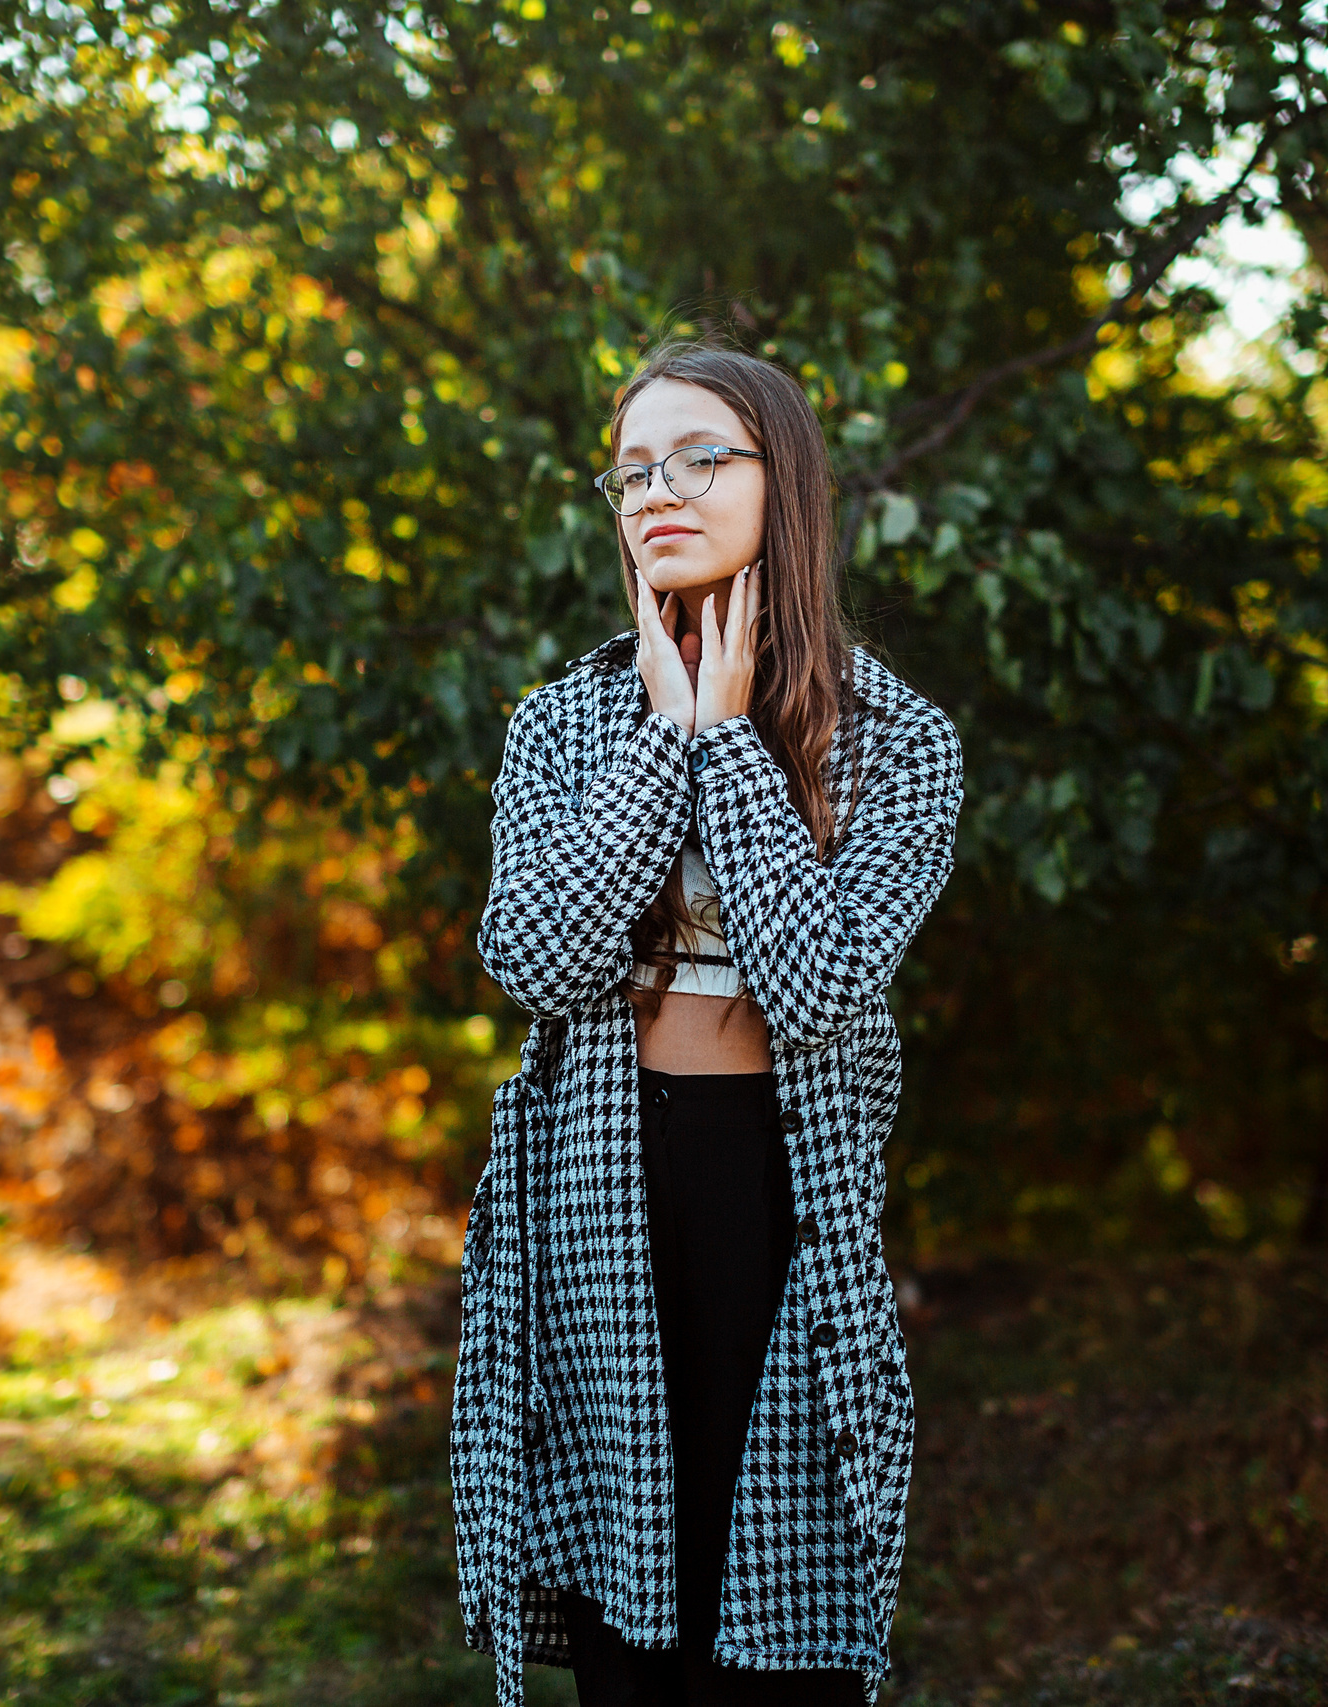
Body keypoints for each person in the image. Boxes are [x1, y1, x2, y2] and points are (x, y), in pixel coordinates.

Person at [450, 341, 963, 1707]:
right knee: (628, 1605)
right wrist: (661, 741)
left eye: (698, 459)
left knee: (778, 1597)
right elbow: (534, 960)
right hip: (598, 1176)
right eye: (633, 473)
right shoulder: (563, 726)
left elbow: (819, 989)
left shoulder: (898, 739)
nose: (657, 492)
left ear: (781, 480)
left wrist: (730, 743)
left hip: (783, 1183)